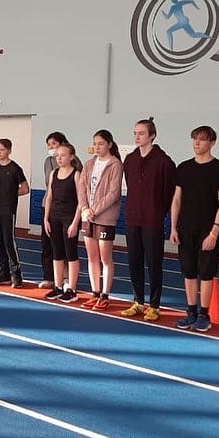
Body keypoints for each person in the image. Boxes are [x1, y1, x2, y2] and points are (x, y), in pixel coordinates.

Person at [171, 125, 219, 332]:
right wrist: (173, 227)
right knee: (188, 272)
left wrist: (214, 232)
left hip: (207, 230)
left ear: (212, 143)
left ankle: (204, 314)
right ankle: (191, 312)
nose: (197, 143)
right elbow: (177, 200)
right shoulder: (184, 168)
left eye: (202, 139)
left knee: (206, 273)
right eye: (194, 138)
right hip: (185, 228)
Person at [121, 118, 177, 321]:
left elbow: (169, 192)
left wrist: (159, 212)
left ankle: (154, 305)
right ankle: (138, 301)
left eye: (141, 133)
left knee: (154, 264)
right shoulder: (130, 159)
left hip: (153, 221)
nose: (137, 137)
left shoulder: (164, 162)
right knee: (134, 262)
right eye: (135, 133)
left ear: (152, 135)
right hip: (132, 218)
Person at [79, 130, 124, 311]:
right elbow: (81, 188)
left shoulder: (115, 165)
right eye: (95, 144)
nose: (97, 147)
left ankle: (105, 295)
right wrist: (84, 208)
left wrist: (94, 210)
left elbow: (113, 193)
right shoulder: (89, 164)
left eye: (101, 144)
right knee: (92, 257)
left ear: (109, 144)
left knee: (105, 257)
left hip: (105, 218)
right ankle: (95, 293)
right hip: (88, 217)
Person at [43, 142, 84, 303]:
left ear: (71, 157)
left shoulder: (76, 174)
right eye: (57, 156)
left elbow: (81, 201)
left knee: (70, 253)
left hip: (69, 218)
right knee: (57, 253)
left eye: (63, 155)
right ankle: (58, 286)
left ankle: (72, 289)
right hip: (54, 217)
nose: (59, 159)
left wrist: (75, 223)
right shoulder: (53, 173)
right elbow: (49, 197)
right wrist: (46, 219)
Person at [0, 138, 30, 288]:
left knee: (9, 242)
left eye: (2, 149)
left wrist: (12, 194)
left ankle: (17, 275)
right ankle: (4, 273)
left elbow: (25, 188)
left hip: (8, 210)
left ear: (9, 151)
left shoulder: (15, 168)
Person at [39, 132, 69, 288]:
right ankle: (49, 277)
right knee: (47, 243)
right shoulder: (47, 161)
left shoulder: (72, 161)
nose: (51, 147)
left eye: (54, 144)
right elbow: (48, 184)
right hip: (48, 206)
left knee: (63, 244)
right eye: (48, 144)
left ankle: (66, 278)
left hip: (65, 208)